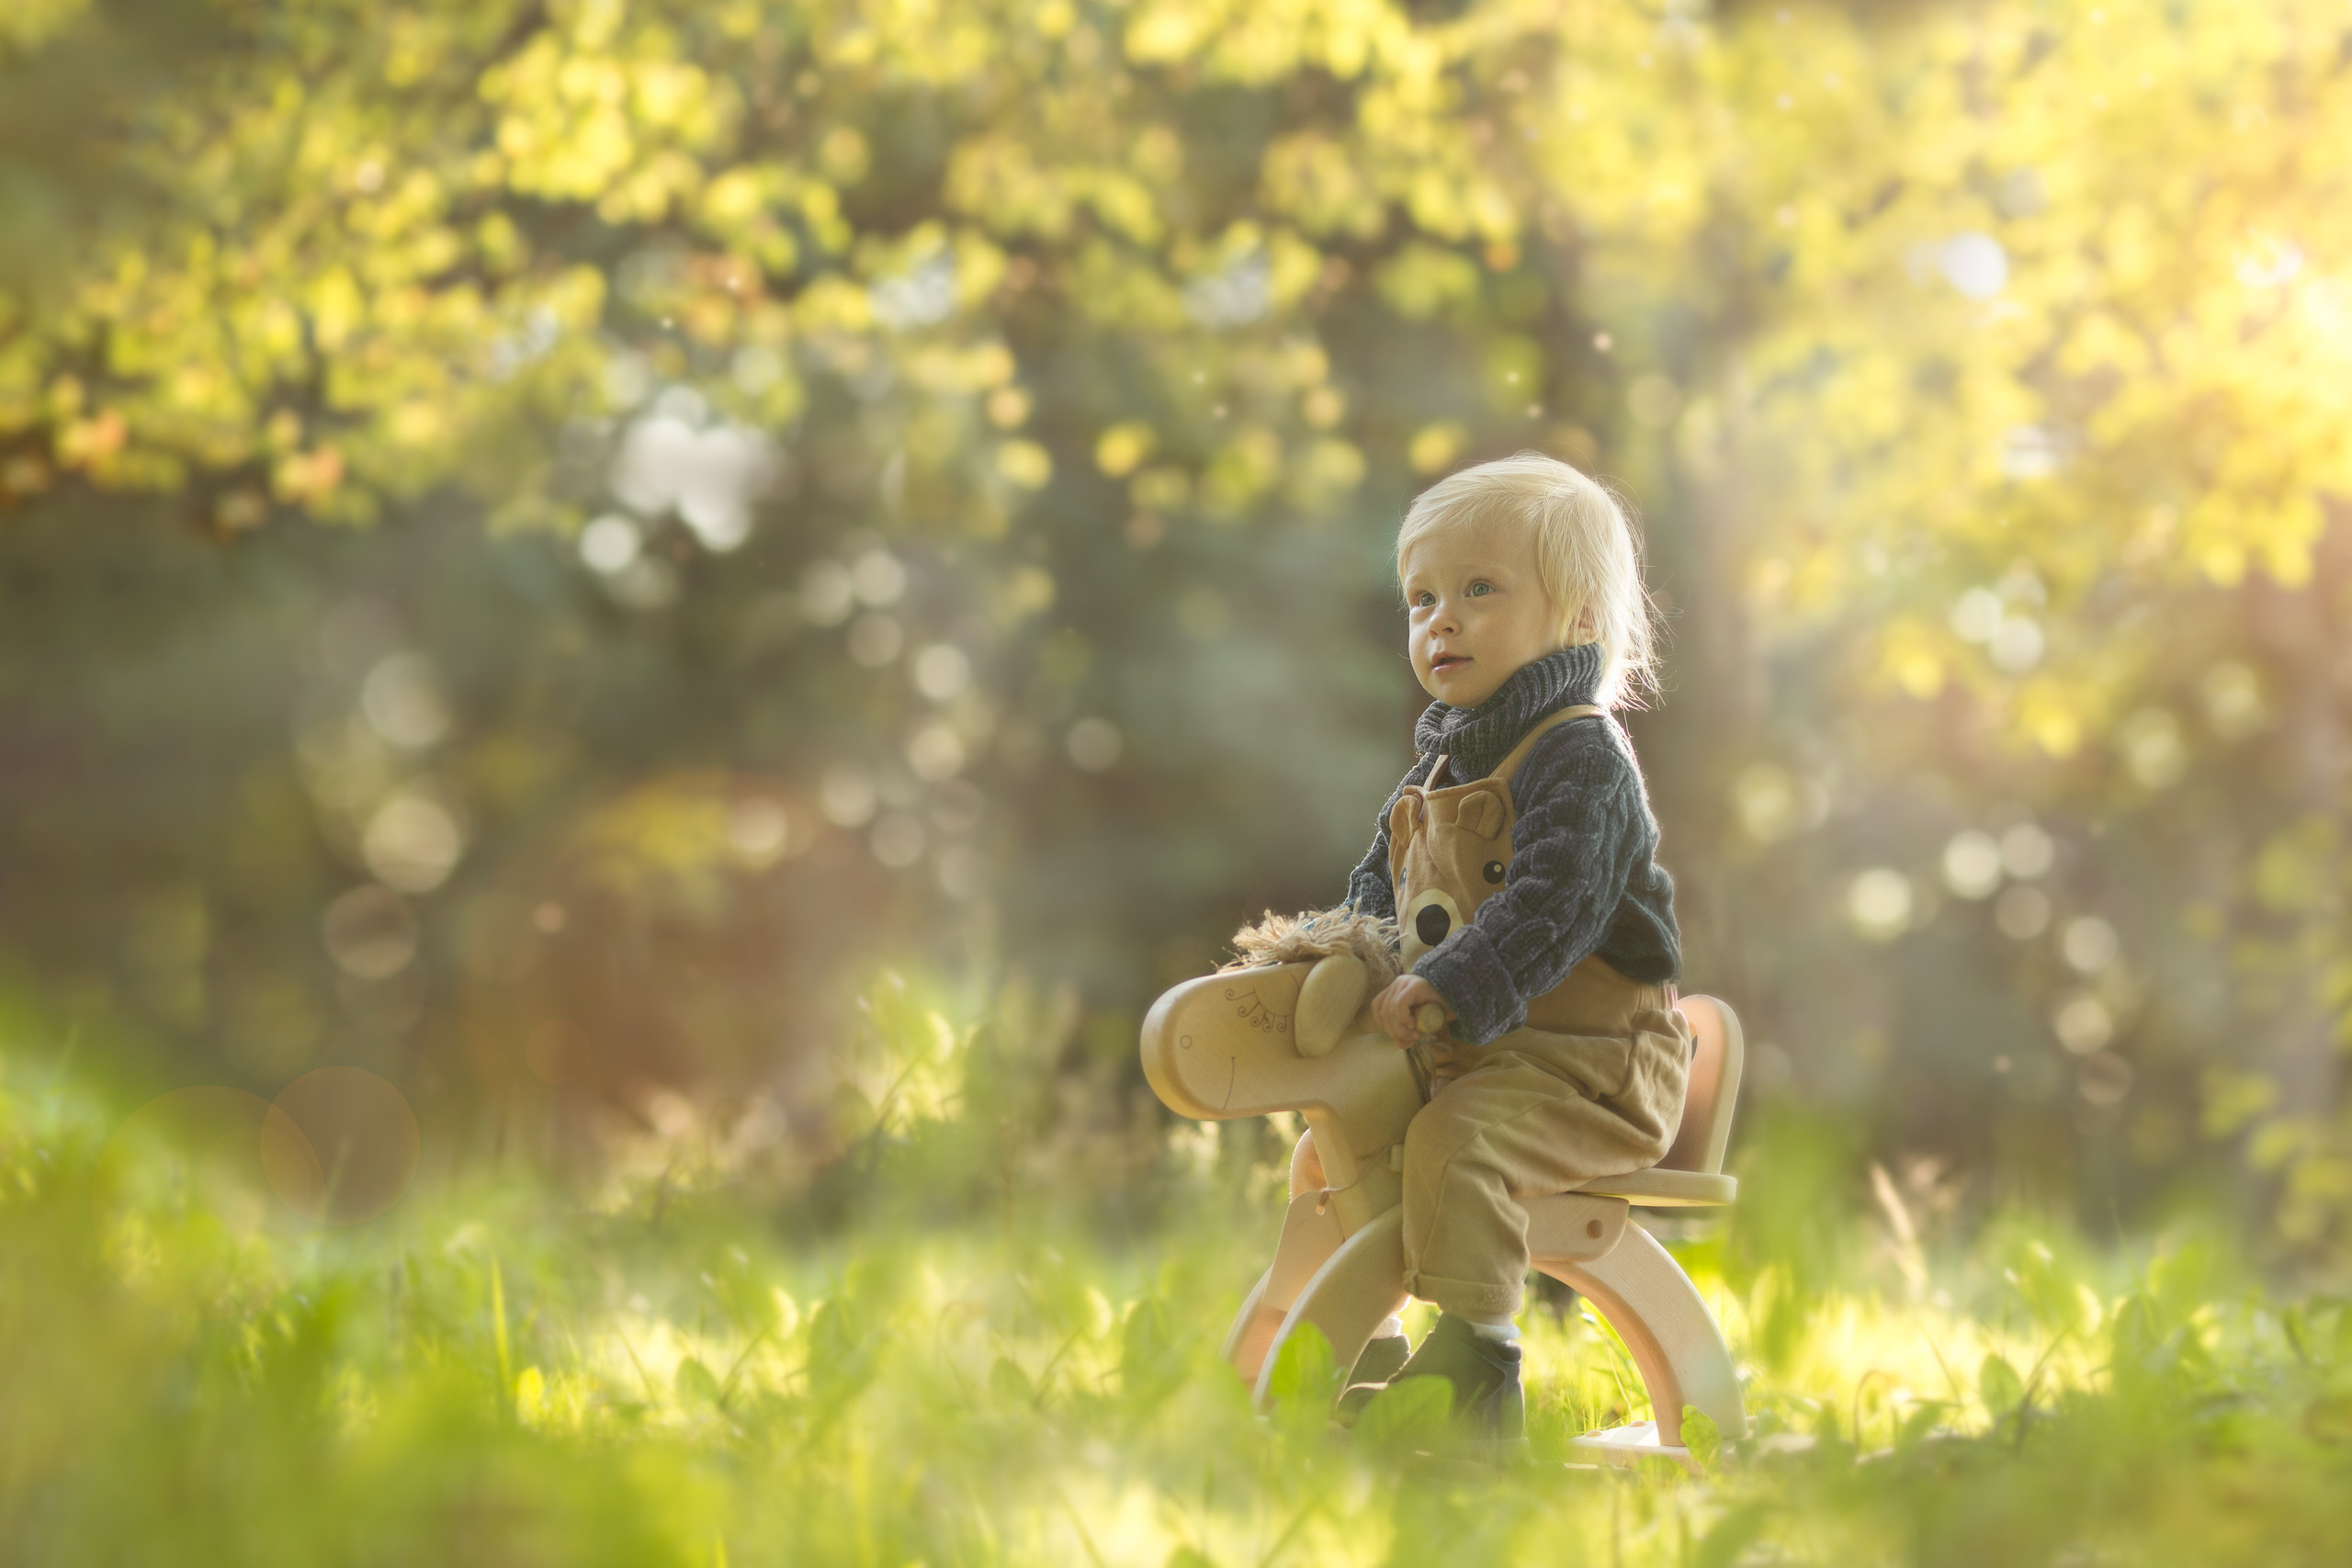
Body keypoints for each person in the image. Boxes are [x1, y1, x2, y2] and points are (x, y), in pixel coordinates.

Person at [1334, 451, 1691, 1444]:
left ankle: (1477, 1376)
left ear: (1577, 618)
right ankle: (1360, 1341)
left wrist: (1449, 982)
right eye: (1420, 598)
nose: (1439, 619)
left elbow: (1555, 905)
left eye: (1478, 590)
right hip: (1481, 1054)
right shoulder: (1441, 757)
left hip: (1594, 1071)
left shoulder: (1582, 755)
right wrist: (1338, 955)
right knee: (1340, 1133)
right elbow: (1377, 884)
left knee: (1458, 1143)